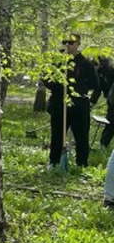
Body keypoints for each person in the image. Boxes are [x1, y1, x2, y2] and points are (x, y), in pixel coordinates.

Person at [45, 34, 98, 168]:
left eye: (71, 42)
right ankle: (54, 162)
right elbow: (46, 79)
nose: (67, 45)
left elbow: (95, 85)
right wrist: (58, 85)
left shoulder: (85, 64)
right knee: (57, 135)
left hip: (79, 106)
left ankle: (81, 164)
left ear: (78, 44)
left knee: (81, 136)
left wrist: (84, 93)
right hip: (59, 104)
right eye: (65, 42)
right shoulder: (57, 61)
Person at [91, 56, 114, 148]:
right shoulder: (98, 73)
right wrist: (92, 102)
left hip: (112, 98)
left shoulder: (110, 69)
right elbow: (98, 88)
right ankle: (103, 144)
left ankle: (104, 144)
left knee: (111, 121)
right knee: (110, 122)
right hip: (111, 100)